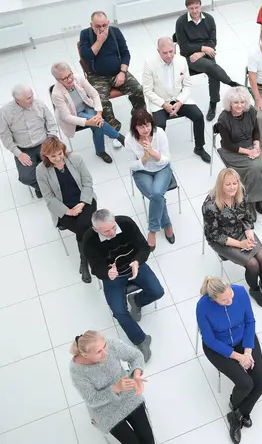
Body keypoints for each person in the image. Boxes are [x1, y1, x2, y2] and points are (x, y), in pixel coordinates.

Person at [70, 331, 167, 444]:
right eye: (99, 351)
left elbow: (136, 356)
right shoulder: (77, 372)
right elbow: (92, 399)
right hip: (104, 409)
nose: (105, 352)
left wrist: (136, 374)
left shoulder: (110, 346)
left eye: (104, 346)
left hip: (128, 394)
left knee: (147, 438)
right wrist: (115, 388)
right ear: (85, 355)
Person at [82, 209, 164, 361]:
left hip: (135, 265)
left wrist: (137, 261)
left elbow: (144, 247)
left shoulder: (125, 223)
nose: (112, 232)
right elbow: (96, 267)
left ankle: (136, 300)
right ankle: (141, 340)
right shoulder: (89, 239)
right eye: (106, 231)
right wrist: (107, 273)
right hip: (114, 276)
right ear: (95, 229)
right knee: (119, 311)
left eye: (113, 227)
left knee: (157, 291)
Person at [196, 276, 262, 444]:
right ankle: (234, 404)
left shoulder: (240, 292)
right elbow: (210, 340)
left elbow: (250, 321)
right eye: (224, 300)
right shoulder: (203, 307)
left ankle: (237, 414)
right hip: (219, 347)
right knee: (245, 383)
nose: (230, 301)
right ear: (213, 299)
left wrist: (248, 351)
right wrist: (239, 357)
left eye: (230, 296)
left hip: (243, 340)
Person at [202, 168, 262, 309]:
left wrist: (249, 236)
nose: (233, 187)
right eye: (228, 184)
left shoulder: (240, 191)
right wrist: (240, 244)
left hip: (240, 230)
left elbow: (247, 216)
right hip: (222, 239)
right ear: (220, 185)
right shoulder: (210, 205)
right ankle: (254, 290)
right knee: (253, 265)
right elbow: (215, 235)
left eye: (235, 183)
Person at [36, 136, 96, 284]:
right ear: (46, 156)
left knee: (82, 227)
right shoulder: (41, 170)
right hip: (63, 208)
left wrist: (82, 203)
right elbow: (49, 197)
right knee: (85, 227)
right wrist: (68, 211)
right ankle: (90, 258)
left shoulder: (75, 159)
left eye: (60, 154)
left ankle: (84, 260)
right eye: (53, 156)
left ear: (63, 150)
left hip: (84, 200)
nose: (57, 158)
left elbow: (87, 181)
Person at [143, 37, 210, 163]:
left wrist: (179, 102)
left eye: (171, 51)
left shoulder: (181, 60)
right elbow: (147, 90)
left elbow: (187, 85)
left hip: (179, 98)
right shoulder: (150, 64)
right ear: (158, 51)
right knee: (159, 125)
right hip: (160, 101)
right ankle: (159, 152)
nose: (169, 55)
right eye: (165, 53)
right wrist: (164, 104)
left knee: (198, 116)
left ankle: (199, 147)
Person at [175, 0, 241, 122]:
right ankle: (232, 83)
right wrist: (202, 48)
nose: (194, 11)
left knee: (213, 72)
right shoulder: (181, 22)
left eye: (196, 7)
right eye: (191, 8)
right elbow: (184, 47)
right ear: (187, 8)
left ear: (200, 5)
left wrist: (202, 52)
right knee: (212, 67)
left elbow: (212, 41)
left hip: (205, 53)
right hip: (189, 57)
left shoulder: (209, 19)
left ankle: (213, 103)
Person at [79, 11, 145, 133]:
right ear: (91, 25)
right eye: (98, 26)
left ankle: (139, 114)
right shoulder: (85, 34)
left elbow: (125, 53)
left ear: (108, 23)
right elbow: (86, 56)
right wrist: (100, 41)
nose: (102, 29)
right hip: (97, 76)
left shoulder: (115, 32)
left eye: (104, 25)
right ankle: (114, 127)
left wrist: (122, 72)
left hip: (118, 72)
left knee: (138, 89)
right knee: (100, 102)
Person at [50, 61, 125, 164]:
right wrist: (88, 122)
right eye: (65, 78)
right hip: (75, 114)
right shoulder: (56, 94)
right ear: (58, 80)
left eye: (70, 74)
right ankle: (119, 137)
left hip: (87, 105)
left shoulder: (78, 78)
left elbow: (94, 94)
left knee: (97, 122)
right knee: (96, 123)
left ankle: (101, 150)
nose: (70, 79)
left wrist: (99, 113)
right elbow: (67, 116)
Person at [125, 110, 175, 251]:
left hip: (162, 169)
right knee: (157, 197)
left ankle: (152, 230)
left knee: (156, 194)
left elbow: (167, 159)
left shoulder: (159, 134)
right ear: (135, 127)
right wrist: (144, 159)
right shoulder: (129, 139)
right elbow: (131, 165)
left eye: (147, 125)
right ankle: (167, 224)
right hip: (142, 172)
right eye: (141, 127)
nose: (145, 130)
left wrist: (154, 154)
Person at [217, 86, 262, 215]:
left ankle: (252, 199)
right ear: (230, 103)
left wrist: (256, 144)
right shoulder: (223, 118)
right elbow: (227, 144)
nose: (240, 106)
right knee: (257, 167)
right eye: (236, 103)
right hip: (233, 151)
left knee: (255, 169)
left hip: (250, 145)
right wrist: (248, 152)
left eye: (242, 102)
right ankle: (254, 199)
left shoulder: (250, 111)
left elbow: (256, 130)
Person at [0, 84, 57, 198]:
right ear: (17, 100)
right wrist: (19, 154)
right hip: (24, 149)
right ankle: (42, 188)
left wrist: (51, 140)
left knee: (57, 166)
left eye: (32, 95)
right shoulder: (5, 112)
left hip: (44, 143)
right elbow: (5, 137)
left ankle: (50, 187)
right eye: (28, 98)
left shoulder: (39, 104)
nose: (32, 99)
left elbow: (51, 124)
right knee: (26, 177)